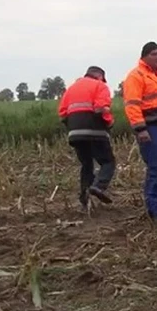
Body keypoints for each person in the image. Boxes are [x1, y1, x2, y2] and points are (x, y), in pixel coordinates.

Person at [122, 41, 157, 221]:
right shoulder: (136, 76)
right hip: (151, 128)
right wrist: (141, 129)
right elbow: (132, 105)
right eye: (153, 54)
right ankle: (155, 211)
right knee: (156, 168)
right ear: (144, 56)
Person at [58, 66, 115, 209]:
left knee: (86, 164)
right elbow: (100, 108)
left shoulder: (71, 89)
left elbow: (62, 114)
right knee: (108, 162)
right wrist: (109, 122)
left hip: (75, 133)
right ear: (100, 76)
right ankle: (98, 186)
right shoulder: (100, 86)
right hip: (95, 130)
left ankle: (85, 199)